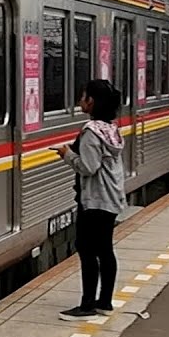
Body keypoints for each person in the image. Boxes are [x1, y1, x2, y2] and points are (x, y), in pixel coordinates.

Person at [55, 79, 126, 321]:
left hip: (95, 200)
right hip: (110, 198)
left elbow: (88, 167)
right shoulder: (110, 128)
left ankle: (87, 306)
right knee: (105, 249)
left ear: (91, 101)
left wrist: (67, 155)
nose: (80, 101)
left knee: (86, 249)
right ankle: (104, 302)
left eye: (83, 97)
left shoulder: (91, 132)